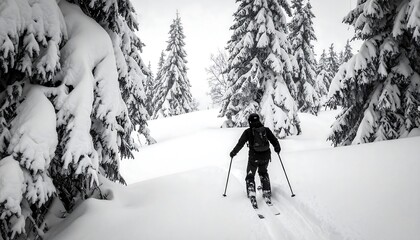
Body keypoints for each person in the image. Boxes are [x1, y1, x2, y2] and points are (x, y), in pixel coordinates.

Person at [229, 113, 280, 207]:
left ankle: (252, 194)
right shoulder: (266, 130)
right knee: (263, 172)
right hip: (265, 156)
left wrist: (233, 152)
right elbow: (274, 140)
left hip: (254, 157)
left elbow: (240, 144)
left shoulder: (248, 132)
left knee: (250, 175)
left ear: (250, 121)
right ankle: (267, 192)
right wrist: (277, 148)